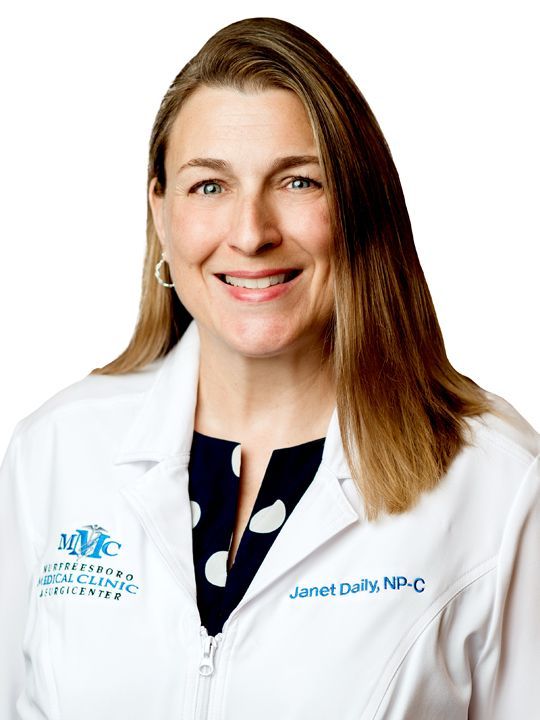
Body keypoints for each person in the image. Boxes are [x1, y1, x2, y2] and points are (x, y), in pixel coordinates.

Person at [1, 15, 538, 720]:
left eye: (298, 182)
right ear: (160, 211)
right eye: (209, 186)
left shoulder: (496, 484)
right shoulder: (54, 452)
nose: (252, 233)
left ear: (359, 205)